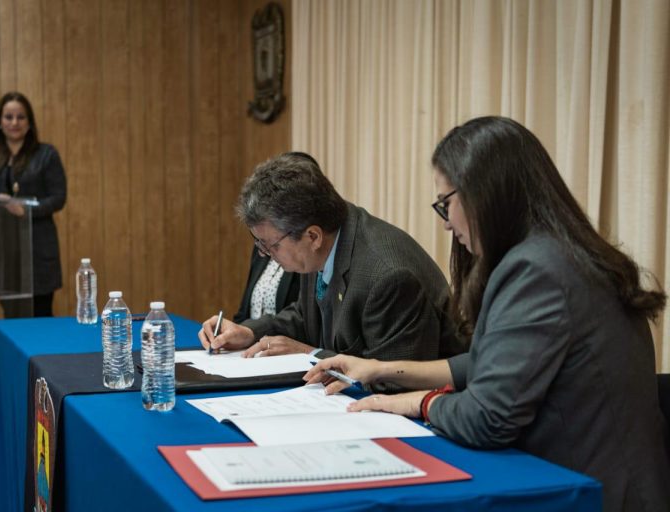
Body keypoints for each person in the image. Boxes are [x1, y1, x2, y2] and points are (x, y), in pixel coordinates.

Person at [305, 116, 670, 511]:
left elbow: (487, 419)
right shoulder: (564, 253)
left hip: (586, 491)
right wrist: (382, 369)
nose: (445, 225)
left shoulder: (536, 270)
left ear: (485, 194)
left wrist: (416, 403)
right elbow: (487, 362)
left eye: (446, 204)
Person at [199, 152, 460, 384]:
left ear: (313, 237)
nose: (266, 254)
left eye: (271, 245)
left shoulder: (388, 276)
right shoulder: (326, 237)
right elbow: (305, 315)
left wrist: (310, 355)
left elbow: (395, 379)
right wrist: (250, 332)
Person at [0, 92, 67, 318]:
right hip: (2, 242)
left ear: (29, 122)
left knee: (41, 312)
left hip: (37, 243)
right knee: (10, 315)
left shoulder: (46, 154)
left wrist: (27, 209)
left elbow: (59, 197)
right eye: (8, 117)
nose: (14, 122)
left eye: (20, 117)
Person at [232, 246, 300, 323]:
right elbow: (244, 311)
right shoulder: (261, 252)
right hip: (251, 331)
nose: (261, 250)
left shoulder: (299, 259)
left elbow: (299, 315)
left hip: (281, 333)